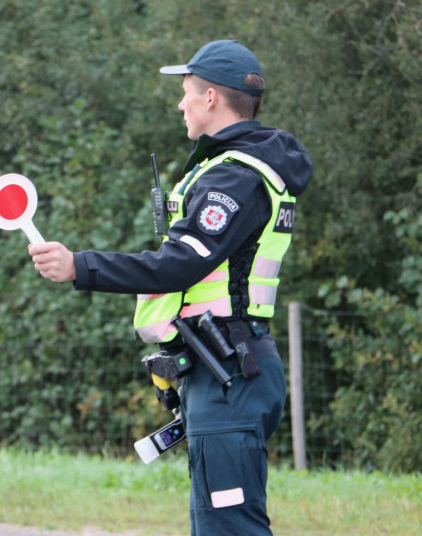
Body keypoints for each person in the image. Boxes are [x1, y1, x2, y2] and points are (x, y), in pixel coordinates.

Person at [29, 39, 312, 536]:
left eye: (185, 92)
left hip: (231, 372)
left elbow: (177, 266)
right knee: (217, 524)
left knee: (230, 528)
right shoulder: (234, 169)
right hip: (223, 366)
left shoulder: (235, 178)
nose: (179, 103)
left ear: (211, 98)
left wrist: (80, 266)